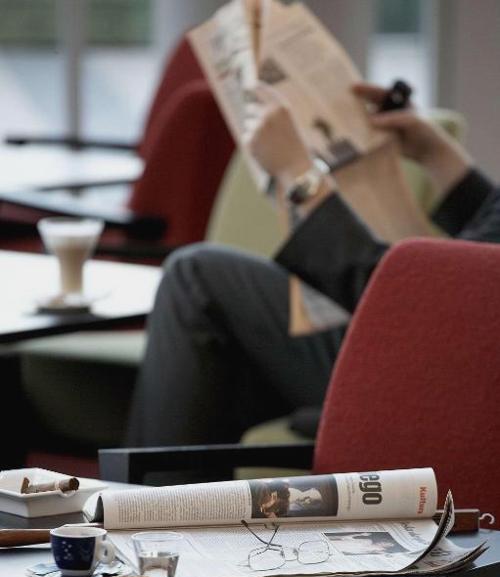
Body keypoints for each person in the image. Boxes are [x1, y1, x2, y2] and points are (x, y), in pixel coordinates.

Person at [126, 81, 500, 448]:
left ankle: (153, 488)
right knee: (220, 346)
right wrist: (433, 152)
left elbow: (409, 305)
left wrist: (299, 174)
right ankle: (166, 484)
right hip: (451, 344)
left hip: (448, 368)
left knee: (196, 279)